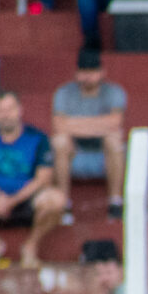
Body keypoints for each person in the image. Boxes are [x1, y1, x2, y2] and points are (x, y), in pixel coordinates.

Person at [0, 92, 67, 269]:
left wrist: (11, 201)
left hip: (26, 200)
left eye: (9, 109)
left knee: (56, 200)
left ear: (20, 110)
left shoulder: (37, 138)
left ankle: (30, 245)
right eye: (0, 110)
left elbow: (44, 179)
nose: (5, 114)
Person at [51, 48, 125, 220]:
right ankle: (64, 203)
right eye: (83, 72)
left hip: (103, 149)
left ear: (101, 72)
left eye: (92, 72)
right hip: (75, 148)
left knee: (114, 140)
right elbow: (59, 125)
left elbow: (115, 123)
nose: (87, 77)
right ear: (76, 73)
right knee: (60, 141)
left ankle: (115, 201)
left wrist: (74, 124)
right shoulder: (64, 92)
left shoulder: (114, 91)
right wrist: (100, 124)